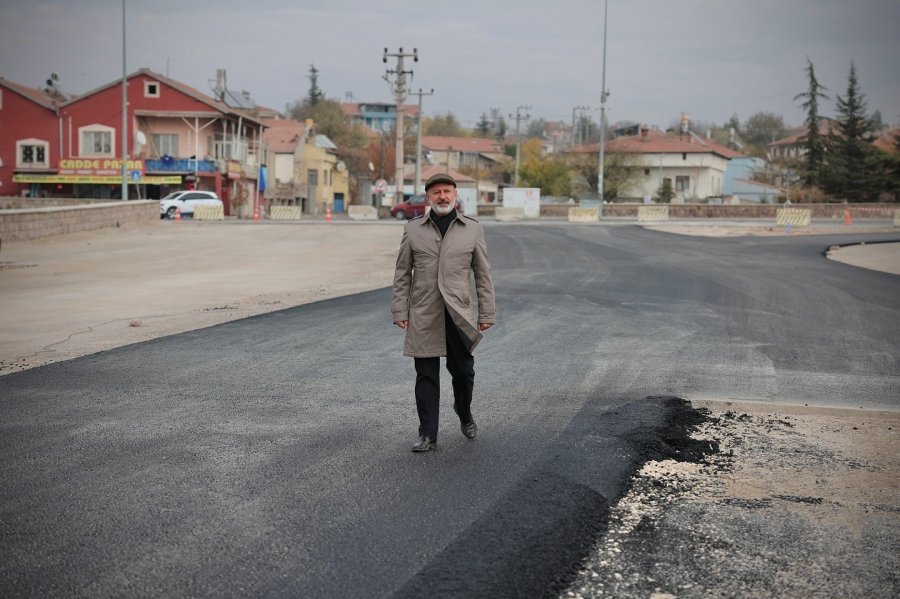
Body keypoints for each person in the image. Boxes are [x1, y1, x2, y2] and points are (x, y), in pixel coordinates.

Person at [391, 173, 496, 452]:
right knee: (425, 375)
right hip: (424, 312)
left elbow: (483, 275)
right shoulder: (413, 229)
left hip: (458, 313)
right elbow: (402, 273)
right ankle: (427, 434)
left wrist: (486, 313)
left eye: (447, 191)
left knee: (463, 373)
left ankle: (464, 412)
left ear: (455, 194)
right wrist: (400, 309)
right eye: (436, 192)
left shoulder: (472, 229)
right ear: (428, 197)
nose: (442, 196)